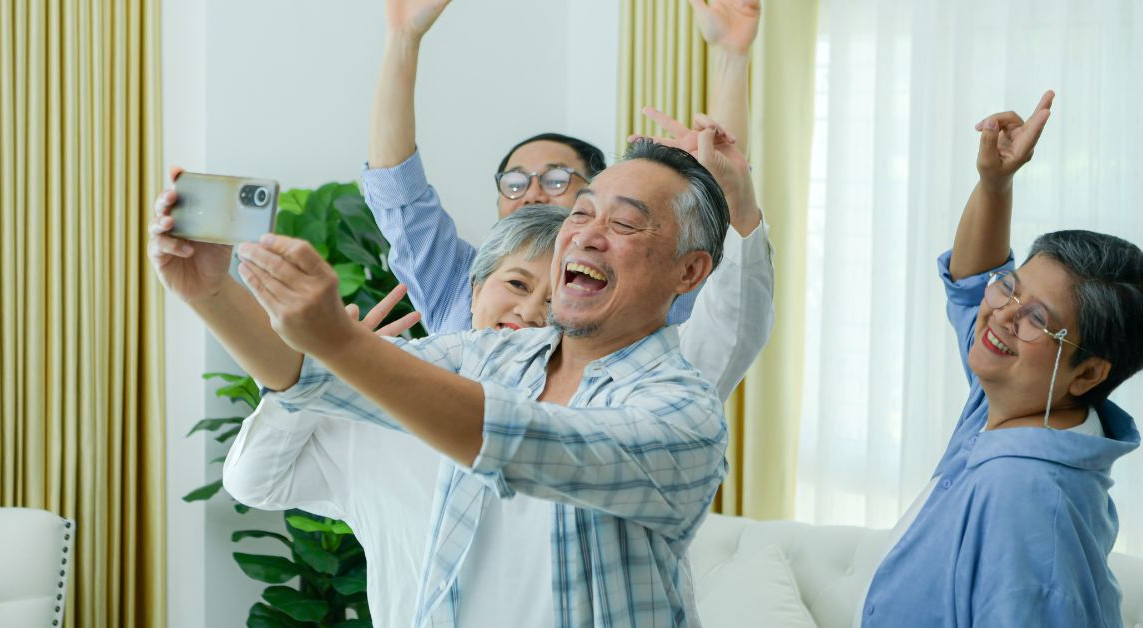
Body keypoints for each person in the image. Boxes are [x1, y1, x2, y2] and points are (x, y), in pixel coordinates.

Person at [150, 136, 742, 626]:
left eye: (626, 224)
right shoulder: (491, 353)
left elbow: (524, 445)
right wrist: (211, 292)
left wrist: (340, 339)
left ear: (689, 271)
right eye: (583, 212)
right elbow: (317, 382)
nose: (586, 234)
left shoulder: (682, 413)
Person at [857, 91, 1143, 627]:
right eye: (1012, 286)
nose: (1003, 314)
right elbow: (972, 283)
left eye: (1037, 318)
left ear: (1090, 373)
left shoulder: (1026, 499)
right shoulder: (1018, 399)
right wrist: (995, 183)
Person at [364, 0, 771, 362]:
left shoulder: (635, 297)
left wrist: (731, 58)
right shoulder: (466, 284)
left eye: (557, 179)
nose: (533, 193)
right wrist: (403, 37)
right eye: (515, 182)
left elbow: (717, 203)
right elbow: (398, 191)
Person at [223, 204, 567, 628]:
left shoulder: (585, 425)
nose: (530, 311)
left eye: (556, 301)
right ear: (475, 289)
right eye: (517, 283)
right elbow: (254, 483)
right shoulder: (381, 405)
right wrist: (328, 376)